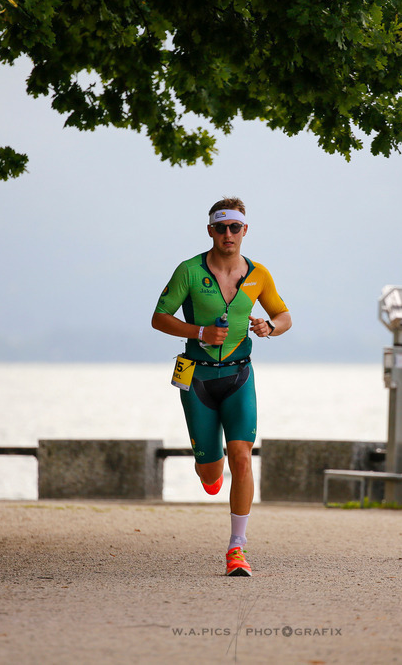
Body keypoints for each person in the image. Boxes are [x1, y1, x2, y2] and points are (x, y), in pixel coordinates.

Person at [151, 197, 292, 577]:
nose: (228, 234)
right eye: (220, 227)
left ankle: (237, 548)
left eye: (235, 227)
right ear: (210, 230)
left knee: (242, 457)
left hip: (239, 376)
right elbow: (159, 318)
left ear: (245, 230)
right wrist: (199, 332)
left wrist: (270, 327)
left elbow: (284, 315)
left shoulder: (258, 274)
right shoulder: (189, 271)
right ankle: (209, 475)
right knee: (211, 472)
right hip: (196, 379)